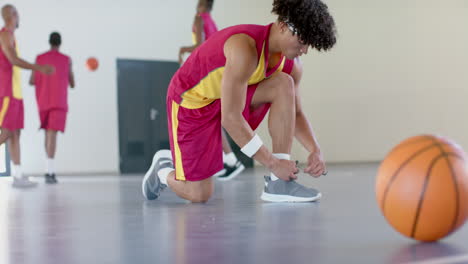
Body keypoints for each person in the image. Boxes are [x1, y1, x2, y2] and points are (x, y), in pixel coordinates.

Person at [143, 0, 336, 203]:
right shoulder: (244, 47)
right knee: (199, 194)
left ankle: (279, 184)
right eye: (302, 41)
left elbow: (295, 113)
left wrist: (315, 149)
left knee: (283, 84)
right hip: (191, 101)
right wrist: (271, 162)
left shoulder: (292, 64)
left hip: (225, 98)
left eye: (309, 44)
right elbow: (231, 118)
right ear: (283, 26)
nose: (304, 49)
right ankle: (163, 170)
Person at [179, 0, 245, 181]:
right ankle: (228, 160)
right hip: (219, 70)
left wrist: (183, 49)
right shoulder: (211, 20)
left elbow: (200, 46)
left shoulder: (199, 18)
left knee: (206, 117)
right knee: (214, 118)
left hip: (209, 73)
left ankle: (229, 160)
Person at [0, 4, 54, 188]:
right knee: (6, 132)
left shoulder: (12, 35)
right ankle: (17, 175)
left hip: (16, 93)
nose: (18, 16)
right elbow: (13, 60)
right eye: (16, 13)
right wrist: (39, 68)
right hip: (7, 92)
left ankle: (18, 175)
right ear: (12, 15)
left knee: (15, 133)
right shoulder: (5, 34)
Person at [29, 32, 75, 184]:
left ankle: (48, 169)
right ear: (60, 43)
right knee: (52, 135)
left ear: (49, 42)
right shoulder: (66, 60)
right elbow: (72, 83)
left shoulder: (39, 58)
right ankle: (50, 172)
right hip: (58, 102)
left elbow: (31, 81)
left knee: (47, 135)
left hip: (42, 101)